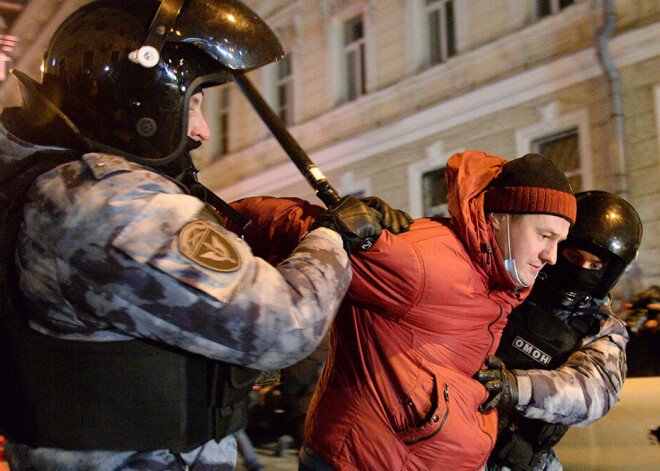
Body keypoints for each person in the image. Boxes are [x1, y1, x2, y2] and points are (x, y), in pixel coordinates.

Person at [0, 1, 408, 470]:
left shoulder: (48, 185)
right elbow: (283, 325)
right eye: (192, 103)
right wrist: (331, 238)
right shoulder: (113, 203)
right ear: (140, 102)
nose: (203, 130)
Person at [228, 150, 577, 470]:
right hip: (366, 460)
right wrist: (212, 217)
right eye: (544, 235)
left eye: (558, 242)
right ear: (500, 218)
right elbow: (290, 225)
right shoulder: (425, 263)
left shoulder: (497, 277)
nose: (552, 256)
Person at [476, 191, 643, 471]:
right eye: (574, 256)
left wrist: (516, 388)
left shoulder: (603, 328)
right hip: (454, 435)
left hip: (516, 460)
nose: (581, 270)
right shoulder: (512, 285)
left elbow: (593, 393)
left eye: (595, 265)